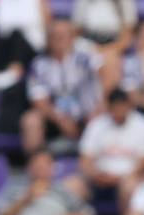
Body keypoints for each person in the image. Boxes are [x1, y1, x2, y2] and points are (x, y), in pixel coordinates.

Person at [21, 17, 103, 154]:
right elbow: (39, 101)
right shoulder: (39, 65)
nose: (59, 40)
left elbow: (108, 75)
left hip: (87, 114)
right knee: (31, 120)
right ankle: (37, 166)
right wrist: (61, 120)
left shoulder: (86, 58)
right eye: (54, 36)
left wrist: (100, 106)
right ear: (48, 39)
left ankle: (98, 165)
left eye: (63, 36)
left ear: (72, 38)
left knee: (101, 117)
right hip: (55, 117)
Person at [78, 87, 144, 214]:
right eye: (115, 109)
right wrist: (96, 175)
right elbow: (85, 160)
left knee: (129, 186)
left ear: (129, 106)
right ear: (109, 108)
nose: (119, 113)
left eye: (122, 108)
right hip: (99, 180)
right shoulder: (96, 125)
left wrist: (119, 178)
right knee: (75, 186)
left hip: (129, 178)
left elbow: (143, 163)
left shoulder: (143, 125)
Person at [72, 0, 135, 90]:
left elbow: (127, 35)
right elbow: (76, 31)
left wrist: (108, 50)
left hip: (113, 47)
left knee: (110, 63)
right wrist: (93, 49)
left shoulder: (124, 2)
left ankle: (107, 100)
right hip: (88, 45)